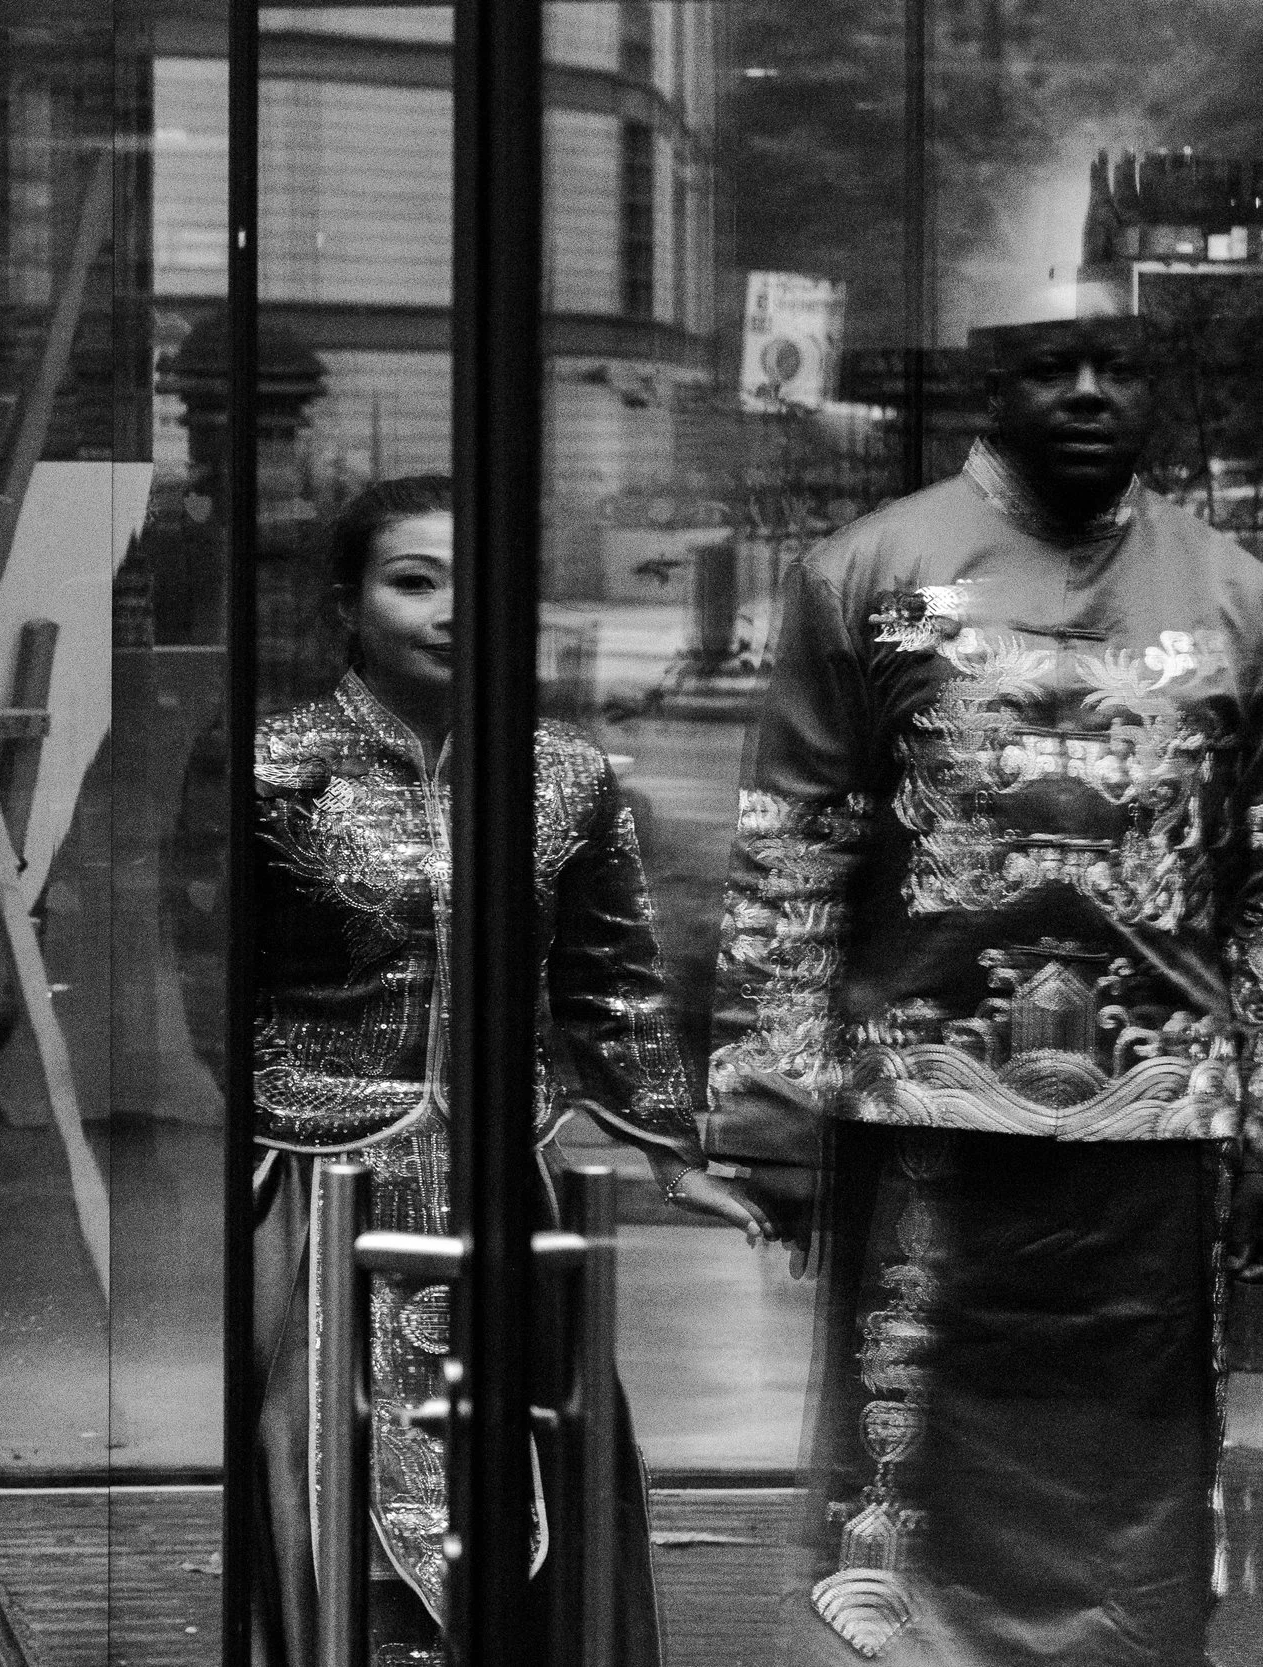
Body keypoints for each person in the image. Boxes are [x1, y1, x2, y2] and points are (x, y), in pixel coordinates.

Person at [710, 311, 1263, 1665]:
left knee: (1131, 1478)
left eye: (1118, 366)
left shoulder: (1239, 590)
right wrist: (769, 1110)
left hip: (1161, 1117)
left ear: (1159, 387)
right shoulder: (867, 570)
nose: (1085, 392)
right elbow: (795, 842)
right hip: (925, 1112)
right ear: (990, 384)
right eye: (1047, 367)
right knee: (908, 1468)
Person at [250, 475, 771, 1667]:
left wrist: (669, 1143)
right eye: (411, 578)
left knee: (525, 1471)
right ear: (347, 600)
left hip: (497, 1175)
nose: (447, 608)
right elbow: (210, 975)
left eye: (472, 581)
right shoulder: (273, 766)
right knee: (317, 1457)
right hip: (317, 1174)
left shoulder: (562, 775)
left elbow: (612, 974)